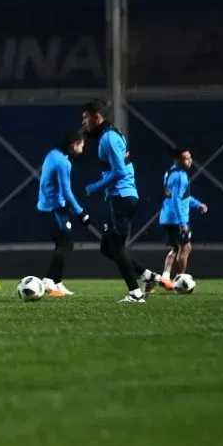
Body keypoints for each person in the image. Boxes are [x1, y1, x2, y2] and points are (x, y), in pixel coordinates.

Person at [82, 99, 161, 302]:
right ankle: (147, 276)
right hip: (122, 196)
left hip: (120, 197)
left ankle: (135, 294)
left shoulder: (108, 138)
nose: (84, 122)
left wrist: (95, 187)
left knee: (116, 246)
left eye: (86, 117)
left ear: (96, 117)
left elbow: (119, 171)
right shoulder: (113, 134)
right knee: (107, 247)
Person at [37, 130, 90, 296]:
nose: (82, 150)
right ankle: (48, 280)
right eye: (81, 146)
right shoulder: (63, 162)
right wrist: (81, 212)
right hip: (54, 209)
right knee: (66, 243)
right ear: (73, 145)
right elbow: (67, 191)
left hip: (48, 206)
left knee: (62, 243)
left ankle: (57, 282)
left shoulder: (52, 154)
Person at [157, 147, 208, 290]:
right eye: (186, 158)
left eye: (190, 157)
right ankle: (180, 280)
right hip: (176, 219)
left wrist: (197, 204)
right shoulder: (180, 177)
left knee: (175, 248)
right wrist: (182, 223)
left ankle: (165, 276)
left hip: (166, 217)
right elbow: (176, 200)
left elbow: (182, 196)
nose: (190, 161)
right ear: (177, 160)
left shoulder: (169, 172)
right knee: (185, 248)